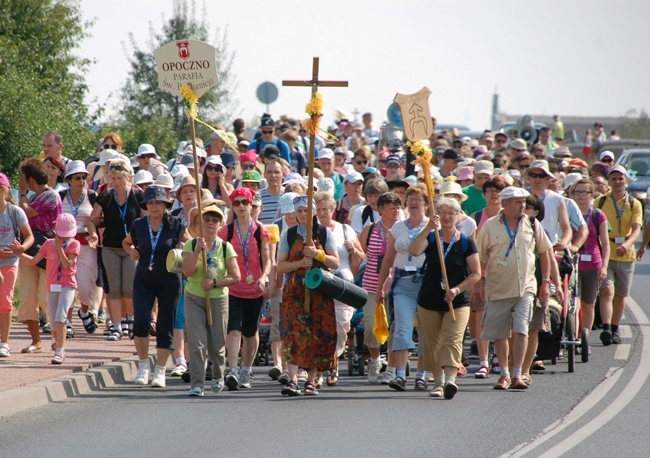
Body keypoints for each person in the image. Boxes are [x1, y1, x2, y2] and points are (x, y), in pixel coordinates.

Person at [476, 186, 552, 391]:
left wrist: (545, 281)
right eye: (518, 202)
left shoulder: (533, 224)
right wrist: (478, 282)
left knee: (521, 329)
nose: (523, 206)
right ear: (505, 204)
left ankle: (518, 373)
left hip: (526, 286)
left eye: (524, 202)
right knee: (500, 333)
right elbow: (478, 257)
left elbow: (545, 252)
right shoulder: (490, 226)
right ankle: (504, 374)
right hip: (498, 287)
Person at [410, 197, 481, 399]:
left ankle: (450, 380)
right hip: (429, 299)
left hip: (457, 301)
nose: (448, 217)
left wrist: (457, 290)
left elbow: (475, 273)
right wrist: (428, 228)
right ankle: (438, 382)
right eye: (443, 212)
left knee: (452, 339)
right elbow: (414, 250)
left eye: (452, 213)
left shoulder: (466, 241)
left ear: (458, 216)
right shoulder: (432, 238)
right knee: (432, 343)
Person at [122, 185, 189, 387]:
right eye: (151, 202)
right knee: (141, 320)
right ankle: (143, 366)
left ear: (166, 205)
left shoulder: (175, 224)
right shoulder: (139, 224)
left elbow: (192, 243)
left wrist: (185, 247)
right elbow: (126, 243)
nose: (154, 206)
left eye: (158, 202)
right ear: (145, 205)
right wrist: (131, 250)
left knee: (165, 325)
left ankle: (160, 371)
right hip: (144, 277)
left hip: (169, 279)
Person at [276, 195, 339, 396]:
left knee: (317, 332)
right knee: (296, 331)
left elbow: (335, 262)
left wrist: (317, 255)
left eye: (306, 210)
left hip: (319, 291)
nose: (303, 214)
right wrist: (299, 264)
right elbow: (281, 265)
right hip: (294, 290)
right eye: (300, 211)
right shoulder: (289, 234)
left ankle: (311, 380)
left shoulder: (323, 233)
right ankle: (293, 378)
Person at [376, 184, 431, 391]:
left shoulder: (432, 226)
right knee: (402, 327)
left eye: (419, 199)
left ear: (426, 204)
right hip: (402, 283)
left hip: (426, 283)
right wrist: (381, 287)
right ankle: (400, 375)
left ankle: (422, 375)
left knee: (426, 330)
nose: (414, 202)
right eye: (411, 199)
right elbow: (388, 258)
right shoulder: (397, 228)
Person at [183, 203, 240, 396]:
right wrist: (198, 251)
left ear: (220, 224)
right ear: (199, 223)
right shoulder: (190, 245)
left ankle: (218, 375)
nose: (210, 223)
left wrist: (215, 283)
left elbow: (236, 276)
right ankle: (197, 384)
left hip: (218, 299)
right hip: (194, 297)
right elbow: (187, 271)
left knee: (216, 344)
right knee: (197, 342)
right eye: (206, 219)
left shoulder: (225, 248)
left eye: (215, 220)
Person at [218, 187, 271, 390]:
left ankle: (246, 369)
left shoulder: (261, 231)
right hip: (232, 287)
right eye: (237, 203)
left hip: (255, 288)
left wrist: (264, 277)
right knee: (233, 328)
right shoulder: (226, 231)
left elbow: (267, 260)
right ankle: (232, 370)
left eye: (245, 202)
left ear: (251, 205)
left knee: (250, 331)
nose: (241, 206)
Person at [90, 159, 144, 341]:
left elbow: (145, 219)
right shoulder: (105, 196)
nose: (117, 181)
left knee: (129, 288)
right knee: (113, 289)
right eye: (114, 178)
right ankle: (116, 326)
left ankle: (131, 319)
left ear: (128, 177)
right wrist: (97, 227)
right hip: (111, 247)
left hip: (131, 247)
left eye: (121, 177)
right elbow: (93, 218)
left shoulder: (137, 195)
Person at [314, 191, 364, 386]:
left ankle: (333, 361)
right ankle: (319, 370)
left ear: (333, 210)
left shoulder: (345, 230)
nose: (321, 213)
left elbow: (360, 257)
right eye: (318, 210)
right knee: (319, 327)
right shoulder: (312, 231)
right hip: (319, 284)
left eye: (325, 209)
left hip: (342, 284)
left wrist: (353, 249)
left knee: (341, 326)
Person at [16, 158, 62, 354]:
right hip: (28, 250)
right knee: (27, 299)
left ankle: (57, 339)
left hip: (48, 253)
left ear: (31, 179)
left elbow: (26, 213)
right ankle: (36, 341)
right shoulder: (33, 197)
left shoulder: (51, 196)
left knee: (46, 298)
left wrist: (23, 193)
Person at [21, 214, 80, 364]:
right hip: (52, 285)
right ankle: (56, 339)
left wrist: (60, 247)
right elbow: (34, 261)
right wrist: (18, 253)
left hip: (68, 285)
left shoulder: (74, 244)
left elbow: (67, 264)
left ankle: (60, 351)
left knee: (61, 317)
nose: (65, 238)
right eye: (62, 235)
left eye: (67, 235)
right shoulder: (48, 244)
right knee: (53, 321)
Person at [358, 192, 402, 384]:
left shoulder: (402, 229)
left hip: (396, 285)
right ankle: (375, 360)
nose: (397, 211)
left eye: (399, 207)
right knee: (370, 325)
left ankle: (391, 367)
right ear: (381, 209)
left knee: (394, 327)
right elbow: (360, 253)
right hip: (371, 283)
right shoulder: (371, 228)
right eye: (393, 207)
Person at [598, 165, 642, 346]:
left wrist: (626, 244)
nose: (617, 182)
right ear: (608, 182)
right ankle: (606, 328)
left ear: (626, 181)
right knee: (607, 290)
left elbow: (636, 229)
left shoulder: (634, 204)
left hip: (626, 254)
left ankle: (615, 329)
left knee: (620, 296)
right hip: (606, 251)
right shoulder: (600, 202)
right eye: (613, 179)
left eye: (620, 179)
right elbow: (595, 223)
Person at [469, 176, 508, 377]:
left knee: (503, 319)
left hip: (505, 276)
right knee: (480, 318)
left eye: (498, 191)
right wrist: (476, 279)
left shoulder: (509, 218)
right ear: (483, 195)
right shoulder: (476, 218)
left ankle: (499, 360)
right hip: (482, 276)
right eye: (490, 191)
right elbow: (472, 250)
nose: (494, 194)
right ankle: (484, 361)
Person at [568, 179, 609, 353]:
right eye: (577, 192)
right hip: (571, 263)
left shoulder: (597, 215)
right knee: (573, 303)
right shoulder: (568, 212)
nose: (581, 195)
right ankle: (574, 337)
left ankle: (584, 337)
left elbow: (605, 244)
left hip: (592, 263)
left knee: (588, 303)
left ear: (592, 195)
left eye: (585, 192)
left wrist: (604, 266)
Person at [60, 161, 100, 333]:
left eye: (84, 177)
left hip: (85, 245)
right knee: (66, 284)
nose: (81, 180)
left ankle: (83, 312)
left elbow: (96, 220)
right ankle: (66, 322)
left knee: (85, 286)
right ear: (69, 179)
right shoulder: (60, 196)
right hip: (65, 245)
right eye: (77, 177)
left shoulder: (92, 196)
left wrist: (95, 234)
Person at [0, 174, 34, 358]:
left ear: (6, 190)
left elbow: (29, 236)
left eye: (0, 188)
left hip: (10, 261)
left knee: (5, 301)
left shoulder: (15, 212)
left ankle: (4, 342)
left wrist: (21, 248)